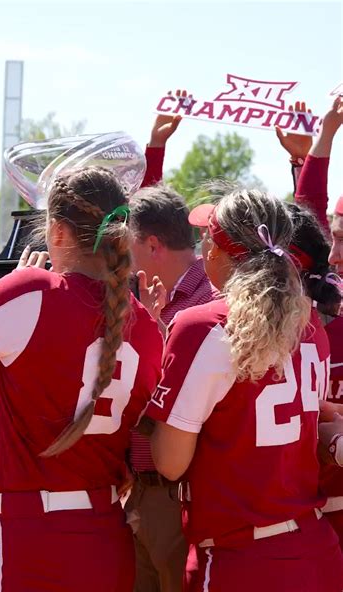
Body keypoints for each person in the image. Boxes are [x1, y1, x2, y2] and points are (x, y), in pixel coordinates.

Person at [0, 166, 163, 592]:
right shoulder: (143, 323)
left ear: (59, 232)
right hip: (107, 531)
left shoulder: (33, 289)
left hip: (31, 534)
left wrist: (4, 290)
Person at [146, 187, 343, 592]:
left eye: (206, 236)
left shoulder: (202, 326)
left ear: (219, 250)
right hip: (315, 550)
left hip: (242, 557)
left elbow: (169, 462)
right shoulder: (310, 327)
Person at [125, 184, 214, 592]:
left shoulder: (212, 299)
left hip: (183, 494)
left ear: (152, 245)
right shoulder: (140, 296)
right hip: (139, 489)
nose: (120, 254)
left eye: (126, 242)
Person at [277, 96, 343, 545]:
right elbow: (309, 223)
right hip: (309, 513)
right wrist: (321, 143)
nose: (333, 256)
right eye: (332, 242)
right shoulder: (316, 310)